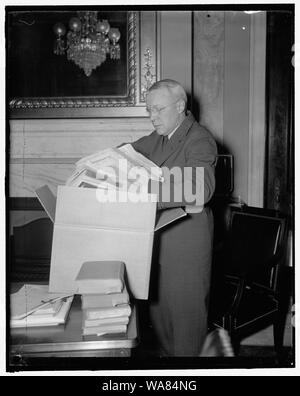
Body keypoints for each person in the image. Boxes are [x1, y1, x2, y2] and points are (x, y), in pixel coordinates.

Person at [132, 79, 217, 356]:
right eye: (148, 110)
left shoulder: (199, 138)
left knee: (185, 328)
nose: (152, 116)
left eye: (158, 109)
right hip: (158, 243)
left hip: (186, 245)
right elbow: (125, 155)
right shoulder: (157, 138)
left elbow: (198, 188)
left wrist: (145, 192)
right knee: (162, 326)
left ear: (180, 106)